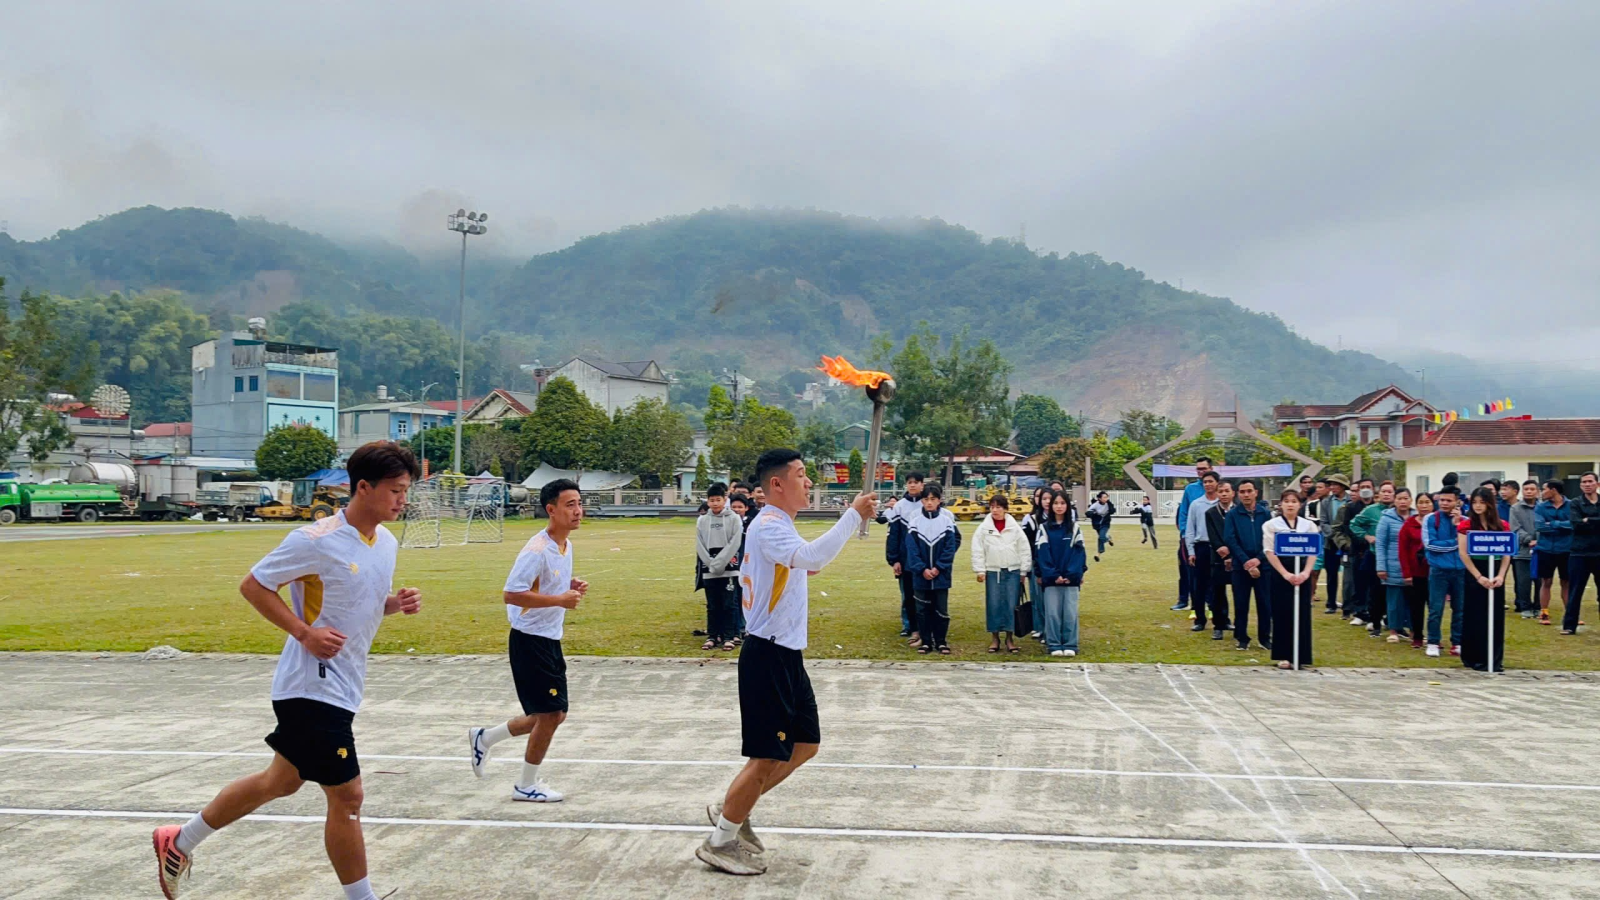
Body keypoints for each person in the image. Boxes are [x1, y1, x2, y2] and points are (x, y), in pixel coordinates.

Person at [152, 442, 422, 900]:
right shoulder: (315, 540)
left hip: (344, 684)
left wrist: (395, 604)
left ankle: (179, 841)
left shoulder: (387, 543)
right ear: (363, 487)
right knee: (348, 796)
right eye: (396, 490)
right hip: (310, 685)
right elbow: (254, 585)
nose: (403, 500)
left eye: (405, 491)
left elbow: (360, 602)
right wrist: (303, 632)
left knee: (280, 781)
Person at [697, 449, 876, 876]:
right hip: (768, 654)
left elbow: (804, 564)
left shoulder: (780, 526)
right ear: (777, 484)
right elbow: (812, 558)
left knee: (805, 745)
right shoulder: (768, 525)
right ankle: (720, 842)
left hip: (787, 653)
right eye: (801, 475)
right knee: (765, 756)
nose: (809, 482)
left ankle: (734, 806)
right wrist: (853, 515)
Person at [467, 478, 588, 803]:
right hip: (529, 640)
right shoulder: (536, 550)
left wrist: (568, 586)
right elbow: (511, 593)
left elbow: (543, 585)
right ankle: (526, 785)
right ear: (551, 510)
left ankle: (485, 738)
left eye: (579, 503)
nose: (578, 510)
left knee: (551, 714)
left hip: (549, 639)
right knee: (550, 715)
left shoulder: (565, 545)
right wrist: (559, 600)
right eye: (570, 505)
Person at [1263, 488, 1319, 670]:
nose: (1290, 505)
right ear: (1281, 504)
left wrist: (1306, 573)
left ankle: (1301, 656)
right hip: (1281, 573)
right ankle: (1283, 655)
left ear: (1300, 505)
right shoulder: (1271, 525)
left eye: (1294, 501)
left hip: (1302, 572)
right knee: (1281, 613)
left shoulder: (1308, 526)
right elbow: (1269, 551)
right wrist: (1285, 574)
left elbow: (1313, 551)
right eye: (1286, 501)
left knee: (1302, 613)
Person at [1458, 487, 1511, 672]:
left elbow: (1506, 553)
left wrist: (1501, 575)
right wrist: (1478, 576)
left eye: (1482, 502)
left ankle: (1494, 659)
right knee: (1475, 615)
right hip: (1475, 571)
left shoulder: (1502, 525)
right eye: (1474, 502)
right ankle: (1474, 657)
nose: (1478, 506)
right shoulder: (1466, 525)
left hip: (1495, 571)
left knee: (1495, 615)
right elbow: (1463, 553)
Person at [906, 482, 961, 655]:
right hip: (920, 576)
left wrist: (938, 567)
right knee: (922, 610)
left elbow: (950, 548)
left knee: (941, 610)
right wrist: (922, 569)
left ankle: (941, 642)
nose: (929, 502)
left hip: (941, 575)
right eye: (926, 499)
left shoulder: (947, 522)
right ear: (921, 501)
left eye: (933, 499)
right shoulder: (914, 523)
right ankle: (926, 642)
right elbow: (911, 550)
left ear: (939, 501)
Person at [972, 494, 1030, 654]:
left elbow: (1024, 549)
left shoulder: (1015, 528)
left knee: (1012, 605)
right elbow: (977, 549)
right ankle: (995, 638)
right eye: (992, 507)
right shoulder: (984, 528)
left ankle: (1010, 639)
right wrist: (980, 570)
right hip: (993, 571)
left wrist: (1023, 571)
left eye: (998, 507)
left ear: (1005, 509)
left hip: (1012, 571)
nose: (995, 510)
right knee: (994, 605)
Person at [1034, 489, 1088, 657]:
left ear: (1067, 506)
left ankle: (1070, 643)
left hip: (1071, 580)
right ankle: (1054, 644)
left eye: (1062, 503)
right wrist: (1053, 575)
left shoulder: (1075, 528)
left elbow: (1079, 554)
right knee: (1052, 613)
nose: (1059, 506)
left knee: (1070, 613)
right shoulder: (1044, 528)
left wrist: (1072, 575)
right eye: (1056, 503)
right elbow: (1042, 554)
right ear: (1051, 506)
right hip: (1051, 580)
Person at [1223, 479, 1273, 650]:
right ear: (1238, 494)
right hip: (1240, 566)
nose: (1246, 495)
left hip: (1263, 566)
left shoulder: (1265, 514)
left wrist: (1258, 559)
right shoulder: (1232, 515)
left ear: (1256, 493)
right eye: (1242, 492)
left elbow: (1270, 539)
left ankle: (1265, 638)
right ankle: (1242, 637)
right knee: (1241, 603)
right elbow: (1230, 539)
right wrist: (1246, 562)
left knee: (1265, 603)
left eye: (1249, 491)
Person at [696, 482, 745, 651]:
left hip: (729, 567)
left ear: (725, 500)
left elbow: (735, 542)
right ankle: (713, 635)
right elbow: (700, 544)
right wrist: (711, 563)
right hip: (709, 569)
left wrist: (721, 561)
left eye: (718, 500)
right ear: (707, 501)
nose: (715, 503)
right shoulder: (702, 520)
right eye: (712, 500)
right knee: (712, 604)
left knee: (729, 603)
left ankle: (729, 636)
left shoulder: (733, 518)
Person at [1422, 486, 1467, 657]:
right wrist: (1455, 542)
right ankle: (1433, 641)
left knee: (1460, 609)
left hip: (1460, 570)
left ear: (1457, 502)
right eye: (1442, 500)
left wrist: (1458, 525)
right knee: (1436, 608)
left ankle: (1458, 642)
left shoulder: (1465, 520)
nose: (1444, 503)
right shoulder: (1431, 519)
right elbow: (1430, 545)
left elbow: (1469, 544)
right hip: (1439, 570)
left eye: (1449, 500)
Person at [884, 472, 926, 643]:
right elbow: (893, 535)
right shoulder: (899, 506)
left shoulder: (927, 503)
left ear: (922, 484)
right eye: (910, 482)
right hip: (905, 559)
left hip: (924, 560)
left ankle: (925, 626)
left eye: (916, 482)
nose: (913, 485)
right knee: (907, 594)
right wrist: (894, 559)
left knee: (925, 594)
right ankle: (908, 625)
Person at [1172, 457, 1214, 611]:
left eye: (1204, 468)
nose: (1201, 472)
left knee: (1209, 572)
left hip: (1211, 539)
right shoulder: (1191, 489)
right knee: (1186, 568)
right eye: (1198, 469)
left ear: (1211, 469)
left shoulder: (1218, 488)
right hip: (1190, 537)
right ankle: (1184, 600)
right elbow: (1183, 512)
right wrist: (1184, 533)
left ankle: (1209, 602)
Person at [1184, 471, 1222, 630]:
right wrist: (1191, 551)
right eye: (1205, 482)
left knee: (1219, 585)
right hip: (1202, 547)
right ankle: (1200, 620)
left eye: (1211, 481)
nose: (1208, 484)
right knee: (1199, 585)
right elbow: (1190, 529)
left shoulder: (1223, 503)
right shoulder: (1196, 504)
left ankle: (1222, 619)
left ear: (1217, 483)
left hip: (1219, 548)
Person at [1562, 472, 1600, 636]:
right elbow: (1576, 524)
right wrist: (1589, 521)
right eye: (1584, 482)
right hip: (1579, 553)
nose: (1587, 484)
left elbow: (1584, 522)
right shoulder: (1575, 503)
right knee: (1575, 591)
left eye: (1590, 481)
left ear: (1597, 484)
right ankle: (1569, 626)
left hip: (1599, 553)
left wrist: (1588, 520)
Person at [1375, 487, 1413, 643]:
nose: (1403, 502)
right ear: (1394, 500)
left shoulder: (1417, 517)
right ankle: (1393, 630)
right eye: (1399, 498)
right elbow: (1380, 544)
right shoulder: (1386, 518)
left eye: (1406, 498)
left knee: (1413, 601)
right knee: (1394, 601)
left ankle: (1414, 631)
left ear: (1411, 500)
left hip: (1413, 566)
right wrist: (1381, 566)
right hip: (1392, 565)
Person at [1399, 491, 1435, 649]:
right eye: (1421, 502)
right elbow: (1402, 550)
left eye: (1427, 502)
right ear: (1416, 504)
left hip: (1435, 572)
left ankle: (1434, 637)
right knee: (1416, 606)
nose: (1424, 506)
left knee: (1434, 607)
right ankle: (1417, 636)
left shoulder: (1438, 522)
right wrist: (1406, 574)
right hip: (1415, 573)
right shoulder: (1409, 524)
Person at [1199, 480, 1236, 636]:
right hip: (1217, 557)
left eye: (1227, 491)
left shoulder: (1238, 511)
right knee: (1217, 593)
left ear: (1233, 493)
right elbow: (1212, 535)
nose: (1224, 494)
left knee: (1239, 593)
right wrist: (1223, 553)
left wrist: (1232, 554)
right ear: (1217, 493)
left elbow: (1239, 535)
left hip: (1237, 557)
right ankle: (1218, 626)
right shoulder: (1211, 513)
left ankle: (1238, 626)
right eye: (1221, 491)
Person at [1534, 480, 1572, 626]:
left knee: (1566, 582)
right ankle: (1544, 613)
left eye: (1544, 489)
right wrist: (1563, 526)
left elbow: (1574, 524)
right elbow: (1540, 527)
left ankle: (1570, 614)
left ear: (1553, 490)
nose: (1541, 492)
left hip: (1566, 549)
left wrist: (1553, 523)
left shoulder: (1571, 505)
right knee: (1546, 581)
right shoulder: (1540, 507)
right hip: (1545, 549)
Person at [1338, 478, 1376, 625]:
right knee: (1358, 582)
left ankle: (1374, 613)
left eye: (1368, 487)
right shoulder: (1351, 508)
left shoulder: (1378, 507)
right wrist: (1360, 541)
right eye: (1363, 487)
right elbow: (1347, 528)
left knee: (1374, 584)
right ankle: (1359, 612)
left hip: (1374, 550)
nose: (1366, 489)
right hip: (1357, 550)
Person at [1312, 475, 1349, 615]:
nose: (1332, 487)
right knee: (1331, 574)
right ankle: (1331, 603)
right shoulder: (1326, 502)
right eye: (1331, 485)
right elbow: (1323, 522)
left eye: (1335, 484)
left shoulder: (1350, 500)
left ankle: (1349, 605)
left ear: (1343, 486)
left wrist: (1344, 538)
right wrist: (1334, 535)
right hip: (1330, 543)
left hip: (1348, 542)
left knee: (1349, 576)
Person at [1508, 480, 1540, 618]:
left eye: (1532, 489)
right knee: (1523, 582)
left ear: (1537, 491)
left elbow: (1545, 525)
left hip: (1541, 549)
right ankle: (1525, 608)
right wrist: (1528, 540)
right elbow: (1515, 528)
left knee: (1540, 581)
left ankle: (1538, 606)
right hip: (1522, 550)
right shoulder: (1515, 508)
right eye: (1526, 489)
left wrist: (1539, 540)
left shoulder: (1543, 507)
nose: (1529, 491)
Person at [1022, 488, 1049, 641]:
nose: (1044, 501)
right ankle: (1040, 627)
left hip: (1053, 563)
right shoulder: (1031, 519)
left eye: (1046, 497)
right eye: (1039, 497)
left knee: (1049, 599)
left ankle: (1049, 630)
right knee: (1037, 597)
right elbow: (1026, 543)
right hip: (1036, 562)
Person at [1088, 490, 1115, 558]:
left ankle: (1098, 554)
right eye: (1104, 497)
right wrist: (1093, 513)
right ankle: (1108, 538)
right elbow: (1088, 513)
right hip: (1097, 524)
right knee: (1101, 538)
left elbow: (1112, 511)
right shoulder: (1095, 505)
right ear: (1099, 498)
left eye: (1107, 497)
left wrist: (1109, 502)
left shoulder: (1108, 504)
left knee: (1101, 537)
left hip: (1105, 523)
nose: (1106, 499)